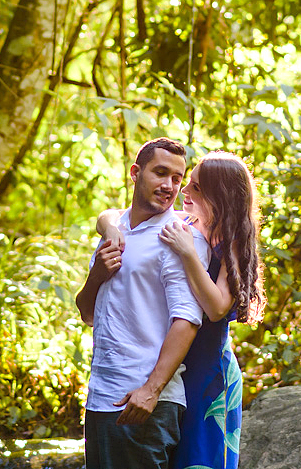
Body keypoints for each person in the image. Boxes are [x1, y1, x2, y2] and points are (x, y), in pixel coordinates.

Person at [97, 150, 265, 469]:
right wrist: (109, 227)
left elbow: (216, 308)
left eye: (194, 186)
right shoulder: (187, 223)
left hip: (208, 370)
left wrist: (188, 253)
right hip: (177, 365)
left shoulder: (232, 242)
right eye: (184, 183)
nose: (183, 191)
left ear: (220, 196)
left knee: (198, 459)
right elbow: (112, 214)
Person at [77, 137, 211, 469]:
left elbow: (188, 319)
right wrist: (96, 274)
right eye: (160, 173)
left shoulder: (180, 236)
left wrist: (150, 391)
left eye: (177, 178)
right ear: (136, 173)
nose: (169, 186)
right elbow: (87, 313)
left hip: (146, 404)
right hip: (102, 397)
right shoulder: (116, 229)